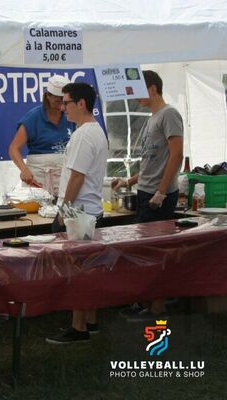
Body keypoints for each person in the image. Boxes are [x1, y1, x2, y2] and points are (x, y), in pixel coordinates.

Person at [112, 70, 184, 322]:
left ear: (152, 88)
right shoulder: (152, 118)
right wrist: (128, 181)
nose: (134, 96)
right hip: (146, 192)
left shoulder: (169, 114)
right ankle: (145, 301)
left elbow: (176, 154)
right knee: (144, 251)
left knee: (154, 252)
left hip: (158, 195)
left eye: (137, 89)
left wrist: (162, 192)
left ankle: (156, 307)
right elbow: (150, 161)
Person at [45, 82, 109, 345]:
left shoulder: (83, 135)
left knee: (78, 271)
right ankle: (90, 321)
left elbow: (77, 177)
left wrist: (64, 210)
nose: (63, 107)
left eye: (66, 102)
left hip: (78, 212)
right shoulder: (96, 131)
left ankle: (78, 327)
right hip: (89, 210)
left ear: (81, 104)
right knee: (89, 269)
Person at [8, 74, 74, 196]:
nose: (61, 105)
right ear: (48, 96)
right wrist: (24, 170)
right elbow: (14, 148)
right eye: (57, 101)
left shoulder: (70, 116)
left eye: (64, 101)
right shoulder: (33, 117)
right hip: (37, 176)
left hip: (64, 174)